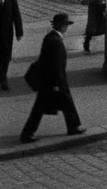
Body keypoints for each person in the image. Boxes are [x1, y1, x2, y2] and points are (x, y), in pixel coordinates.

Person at [19, 13, 85, 142]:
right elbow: (56, 65)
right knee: (43, 108)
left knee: (64, 104)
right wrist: (57, 84)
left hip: (48, 80)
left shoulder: (50, 37)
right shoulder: (56, 41)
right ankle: (27, 134)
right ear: (62, 26)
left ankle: (73, 127)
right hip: (53, 81)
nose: (67, 28)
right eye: (66, 25)